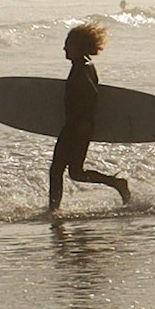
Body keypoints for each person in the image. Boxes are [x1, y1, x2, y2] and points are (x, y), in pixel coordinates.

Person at [44, 20, 132, 217]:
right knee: (76, 172)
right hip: (79, 124)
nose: (64, 48)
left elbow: (91, 96)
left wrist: (84, 122)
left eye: (68, 44)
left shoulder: (82, 68)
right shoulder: (84, 65)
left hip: (76, 125)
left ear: (79, 47)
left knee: (57, 169)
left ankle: (53, 210)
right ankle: (116, 183)